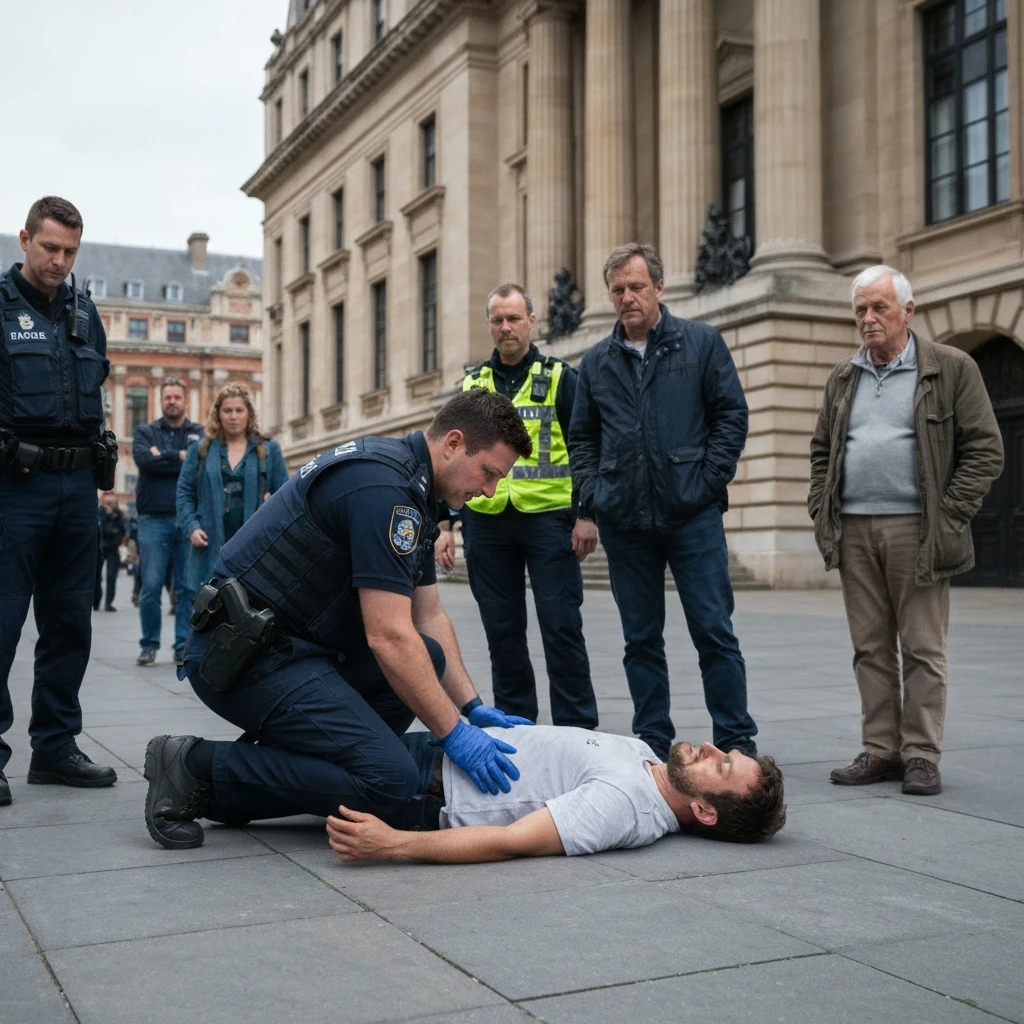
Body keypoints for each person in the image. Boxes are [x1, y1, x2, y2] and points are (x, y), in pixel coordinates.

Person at [143, 389, 537, 850]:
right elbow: (389, 636)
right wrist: (453, 732)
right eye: (488, 473)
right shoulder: (387, 493)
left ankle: (266, 780)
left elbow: (427, 615)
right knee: (390, 781)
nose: (489, 490)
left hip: (294, 649)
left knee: (425, 660)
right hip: (244, 658)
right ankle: (194, 765)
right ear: (452, 443)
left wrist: (471, 709)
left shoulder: (415, 490)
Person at [809, 266, 1003, 796]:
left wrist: (948, 513)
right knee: (869, 647)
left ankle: (921, 753)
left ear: (907, 311)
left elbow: (986, 450)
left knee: (922, 646)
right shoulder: (842, 376)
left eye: (880, 308)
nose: (868, 319)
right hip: (853, 528)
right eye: (861, 311)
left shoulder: (951, 367)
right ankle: (880, 750)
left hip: (916, 528)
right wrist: (819, 507)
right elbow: (823, 450)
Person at [570, 244, 757, 763]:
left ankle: (736, 736)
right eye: (618, 290)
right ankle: (653, 736)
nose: (627, 297)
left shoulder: (700, 344)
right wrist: (596, 495)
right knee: (640, 638)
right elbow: (582, 438)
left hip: (691, 516)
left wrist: (705, 481)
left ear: (659, 287)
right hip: (626, 521)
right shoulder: (596, 361)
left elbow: (730, 417)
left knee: (714, 630)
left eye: (636, 287)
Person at [0, 195, 119, 807]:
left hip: (77, 488)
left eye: (70, 251)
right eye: (50, 248)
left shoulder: (84, 311)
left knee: (70, 623)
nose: (59, 261)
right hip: (14, 487)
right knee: (2, 620)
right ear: (25, 240)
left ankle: (54, 746)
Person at [444, 283, 597, 728]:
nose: (505, 327)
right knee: (503, 636)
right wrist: (445, 522)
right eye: (497, 320)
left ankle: (578, 732)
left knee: (562, 630)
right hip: (487, 524)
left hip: (550, 522)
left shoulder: (561, 378)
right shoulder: (473, 384)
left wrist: (588, 513)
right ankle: (520, 730)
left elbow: (585, 447)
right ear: (489, 325)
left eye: (513, 318)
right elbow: (452, 458)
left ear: (532, 321)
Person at [326, 726, 786, 863]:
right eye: (722, 752)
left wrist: (392, 844)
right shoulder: (646, 759)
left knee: (266, 775)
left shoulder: (623, 806)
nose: (708, 747)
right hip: (441, 748)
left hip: (422, 786)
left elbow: (512, 840)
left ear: (705, 810)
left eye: (718, 765)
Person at [176, 381, 288, 596]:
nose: (233, 416)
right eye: (227, 410)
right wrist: (191, 527)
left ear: (249, 414)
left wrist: (270, 507)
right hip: (209, 543)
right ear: (218, 414)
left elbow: (285, 496)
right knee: (208, 611)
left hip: (254, 545)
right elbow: (184, 493)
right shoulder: (200, 449)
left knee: (251, 612)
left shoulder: (269, 450)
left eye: (239, 410)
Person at [133, 377, 203, 667]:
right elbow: (144, 462)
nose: (172, 401)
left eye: (177, 397)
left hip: (189, 519)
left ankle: (182, 646)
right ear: (160, 401)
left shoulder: (200, 433)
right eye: (167, 397)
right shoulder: (145, 432)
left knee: (188, 587)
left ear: (186, 401)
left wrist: (162, 456)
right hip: (153, 518)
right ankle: (149, 644)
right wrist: (181, 456)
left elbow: (199, 466)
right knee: (150, 585)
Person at [95, 491, 126, 612]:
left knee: (111, 576)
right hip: (100, 547)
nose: (109, 504)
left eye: (112, 502)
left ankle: (109, 602)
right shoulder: (99, 512)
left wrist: (122, 541)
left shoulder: (118, 513)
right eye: (107, 501)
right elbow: (100, 527)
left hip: (113, 547)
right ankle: (96, 600)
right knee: (96, 576)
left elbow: (122, 529)